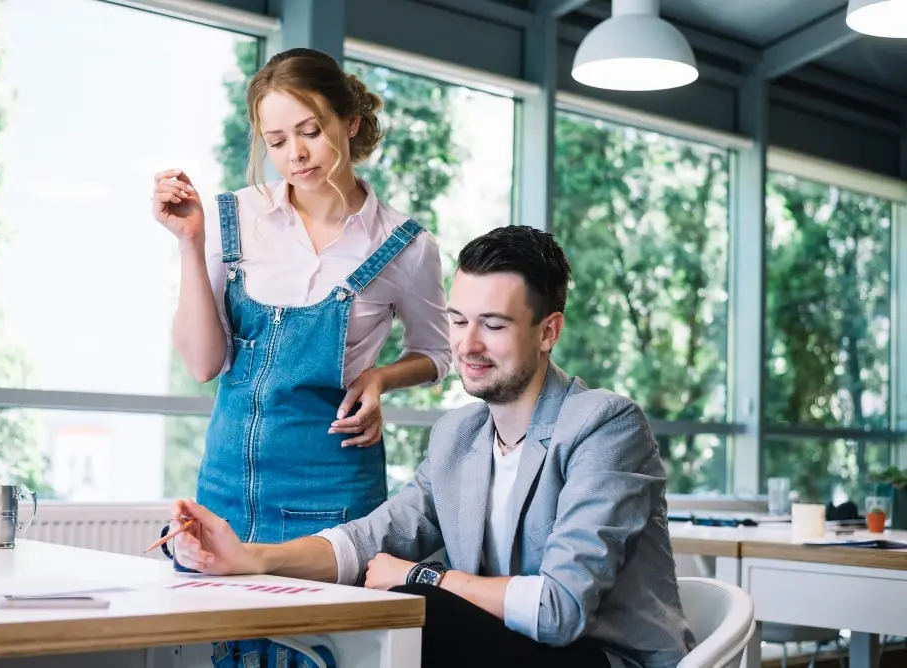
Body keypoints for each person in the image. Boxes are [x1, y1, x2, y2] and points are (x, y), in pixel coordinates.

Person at [169, 225, 696, 668]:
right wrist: (249, 558)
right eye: (458, 321)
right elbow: (369, 540)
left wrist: (423, 576)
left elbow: (559, 609)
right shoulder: (458, 437)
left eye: (493, 325)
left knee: (419, 606)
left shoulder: (605, 425)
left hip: (602, 658)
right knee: (387, 609)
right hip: (508, 651)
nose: (467, 345)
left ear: (547, 331)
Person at [150, 47, 451, 550]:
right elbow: (203, 365)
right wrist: (190, 242)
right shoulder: (232, 219)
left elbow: (438, 354)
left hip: (335, 489)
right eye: (277, 140)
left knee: (316, 631)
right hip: (226, 486)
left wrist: (380, 377)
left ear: (350, 122)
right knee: (227, 628)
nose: (296, 154)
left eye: (310, 131)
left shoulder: (406, 246)